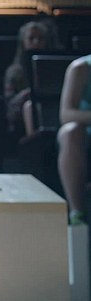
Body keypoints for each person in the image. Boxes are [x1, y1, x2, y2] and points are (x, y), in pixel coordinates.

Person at [57, 54, 91, 225]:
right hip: (86, 133)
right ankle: (77, 214)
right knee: (70, 132)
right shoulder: (81, 68)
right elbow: (66, 114)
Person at [4, 21, 51, 135]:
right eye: (31, 38)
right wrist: (28, 94)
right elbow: (10, 107)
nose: (36, 42)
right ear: (23, 42)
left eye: (40, 39)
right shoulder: (14, 72)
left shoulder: (53, 68)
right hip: (21, 121)